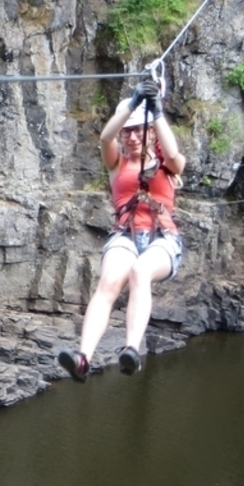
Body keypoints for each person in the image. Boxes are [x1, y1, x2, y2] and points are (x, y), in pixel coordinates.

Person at [58, 79, 186, 381]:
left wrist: (155, 112)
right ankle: (83, 358)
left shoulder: (169, 165)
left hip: (162, 240)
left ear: (150, 131)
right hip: (126, 235)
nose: (130, 137)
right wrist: (132, 104)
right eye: (127, 131)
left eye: (136, 130)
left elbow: (172, 154)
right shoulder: (116, 163)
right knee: (108, 284)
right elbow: (105, 137)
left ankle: (131, 349)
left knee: (140, 272)